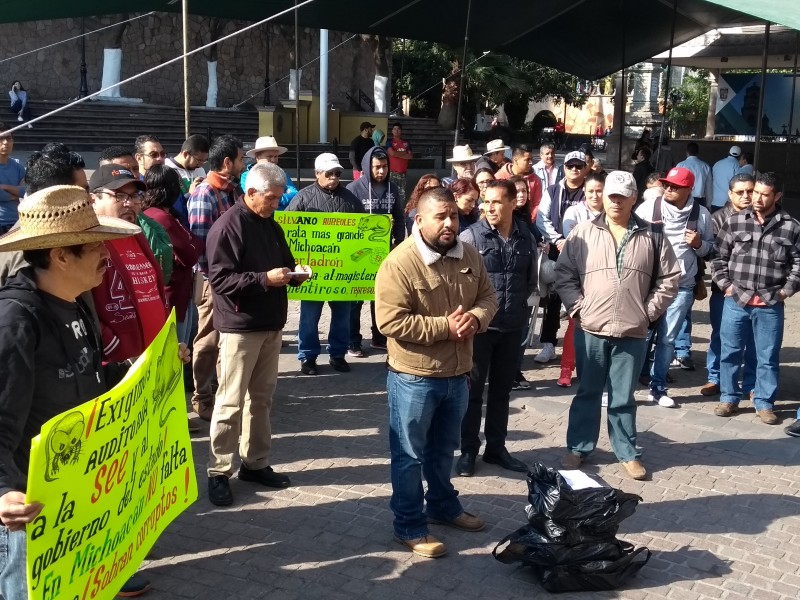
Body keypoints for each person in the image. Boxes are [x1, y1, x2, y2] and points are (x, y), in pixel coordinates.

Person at [0, 185, 148, 600]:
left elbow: (87, 375)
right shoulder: (15, 323)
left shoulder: (76, 300)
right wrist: (3, 493)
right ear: (62, 255)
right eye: (96, 245)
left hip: (76, 487)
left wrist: (136, 369)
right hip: (31, 505)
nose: (107, 254)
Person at [375, 186, 498, 559]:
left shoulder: (470, 255)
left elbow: (488, 298)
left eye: (454, 216)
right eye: (440, 217)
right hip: (414, 377)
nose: (449, 223)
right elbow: (389, 321)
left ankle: (443, 506)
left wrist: (475, 321)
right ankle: (409, 525)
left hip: (457, 374)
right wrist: (445, 328)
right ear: (419, 220)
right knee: (409, 456)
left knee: (444, 450)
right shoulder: (399, 263)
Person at [555, 171, 679, 481]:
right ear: (603, 196)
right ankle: (579, 447)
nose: (616, 201)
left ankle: (627, 451)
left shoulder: (653, 235)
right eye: (611, 195)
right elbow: (564, 274)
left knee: (624, 397)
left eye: (623, 196)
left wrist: (647, 312)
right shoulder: (583, 232)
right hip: (590, 328)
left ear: (634, 198)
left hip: (631, 331)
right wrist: (578, 308)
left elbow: (670, 279)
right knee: (587, 392)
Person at [205, 163, 311, 506]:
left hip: (269, 323)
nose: (276, 204)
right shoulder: (227, 227)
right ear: (250, 192)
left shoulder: (270, 224)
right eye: (271, 198)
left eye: (279, 198)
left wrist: (295, 274)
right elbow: (219, 281)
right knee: (230, 401)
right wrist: (267, 279)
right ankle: (218, 470)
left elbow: (283, 263)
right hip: (240, 327)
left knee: (261, 400)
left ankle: (255, 462)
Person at [456, 180, 538, 477]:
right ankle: (467, 450)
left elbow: (529, 281)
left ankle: (496, 448)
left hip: (512, 326)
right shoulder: (470, 237)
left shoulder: (525, 237)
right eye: (485, 202)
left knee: (502, 392)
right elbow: (459, 283)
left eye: (495, 202)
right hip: (480, 329)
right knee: (473, 392)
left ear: (513, 203)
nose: (488, 207)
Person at [711, 172, 800, 425]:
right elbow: (719, 257)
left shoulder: (790, 226)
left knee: (768, 356)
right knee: (729, 352)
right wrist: (726, 286)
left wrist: (786, 291)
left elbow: (798, 263)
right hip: (736, 301)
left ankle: (764, 402)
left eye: (764, 194)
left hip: (770, 303)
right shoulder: (736, 221)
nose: (757, 198)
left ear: (777, 196)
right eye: (755, 193)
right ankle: (729, 397)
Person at [635, 167, 713, 408]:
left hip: (682, 287)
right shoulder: (649, 208)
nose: (668, 189)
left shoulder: (701, 215)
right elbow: (630, 238)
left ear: (689, 190)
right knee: (642, 336)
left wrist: (699, 244)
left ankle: (658, 388)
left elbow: (710, 249)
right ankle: (628, 383)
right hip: (650, 286)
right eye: (667, 185)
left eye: (675, 186)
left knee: (668, 340)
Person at [285, 153, 364, 375]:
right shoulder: (302, 198)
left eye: (337, 173)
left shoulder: (351, 200)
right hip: (312, 272)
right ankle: (308, 357)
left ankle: (338, 355)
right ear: (317, 174)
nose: (334, 177)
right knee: (309, 318)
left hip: (342, 273)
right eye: (329, 173)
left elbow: (364, 233)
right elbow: (290, 234)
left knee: (342, 317)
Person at [187, 135, 244, 421]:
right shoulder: (205, 195)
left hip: (233, 279)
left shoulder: (232, 192)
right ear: (226, 162)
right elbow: (200, 247)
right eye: (241, 159)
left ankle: (225, 395)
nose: (243, 164)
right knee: (208, 340)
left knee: (228, 341)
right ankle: (202, 398)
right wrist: (221, 277)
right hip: (212, 280)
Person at [88, 165, 169, 364]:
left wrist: (169, 339)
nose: (129, 203)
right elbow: (79, 304)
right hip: (119, 366)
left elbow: (153, 293)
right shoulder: (89, 244)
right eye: (119, 195)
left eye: (134, 196)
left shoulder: (136, 235)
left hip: (154, 357)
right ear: (93, 200)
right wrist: (114, 347)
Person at [700, 173, 756, 398]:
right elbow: (712, 256)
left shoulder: (762, 218)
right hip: (725, 290)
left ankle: (751, 384)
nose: (746, 196)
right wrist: (726, 285)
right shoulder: (717, 218)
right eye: (740, 192)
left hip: (757, 292)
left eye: (750, 191)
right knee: (720, 335)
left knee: (753, 339)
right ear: (730, 194)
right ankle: (715, 377)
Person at [346, 146, 403, 356]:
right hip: (360, 254)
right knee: (356, 299)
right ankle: (353, 341)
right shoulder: (353, 189)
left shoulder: (394, 189)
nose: (381, 171)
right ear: (367, 167)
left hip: (385, 253)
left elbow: (397, 217)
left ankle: (379, 336)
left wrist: (398, 242)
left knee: (381, 296)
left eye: (385, 166)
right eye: (377, 167)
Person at [535, 150, 589, 364]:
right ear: (563, 168)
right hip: (558, 250)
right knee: (553, 299)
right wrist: (557, 238)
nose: (574, 170)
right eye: (570, 166)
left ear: (585, 168)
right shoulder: (553, 190)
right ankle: (548, 344)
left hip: (586, 252)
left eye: (578, 166)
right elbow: (542, 218)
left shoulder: (591, 191)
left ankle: (580, 347)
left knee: (584, 299)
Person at [558, 172, 606, 387]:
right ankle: (566, 368)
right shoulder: (575, 211)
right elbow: (572, 244)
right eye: (590, 191)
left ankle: (595, 371)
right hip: (579, 275)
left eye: (599, 191)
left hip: (604, 278)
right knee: (574, 323)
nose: (595, 195)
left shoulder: (613, 212)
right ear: (584, 192)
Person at [142, 164, 200, 345]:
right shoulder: (162, 218)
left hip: (176, 293)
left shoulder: (156, 214)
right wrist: (192, 244)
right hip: (174, 295)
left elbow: (192, 245)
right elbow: (191, 254)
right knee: (178, 350)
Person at [240, 136, 298, 210]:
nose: (273, 160)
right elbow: (254, 198)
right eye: (269, 156)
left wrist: (272, 198)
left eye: (276, 156)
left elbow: (295, 194)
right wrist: (280, 197)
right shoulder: (247, 176)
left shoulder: (282, 174)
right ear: (257, 157)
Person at [494, 145, 543, 222]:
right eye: (527, 160)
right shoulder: (500, 176)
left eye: (531, 159)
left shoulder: (536, 180)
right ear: (515, 160)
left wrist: (529, 220)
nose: (531, 163)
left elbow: (537, 204)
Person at [0, 126, 25, 235]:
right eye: (1, 138)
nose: (6, 143)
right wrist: (16, 192)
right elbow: (1, 195)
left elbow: (26, 191)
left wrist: (4, 187)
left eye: (9, 139)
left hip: (16, 223)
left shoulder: (18, 165)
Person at [675, 142, 712, 208]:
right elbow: (708, 188)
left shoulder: (680, 165)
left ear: (687, 152)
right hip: (699, 201)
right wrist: (708, 204)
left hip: (684, 198)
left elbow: (676, 184)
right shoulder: (705, 166)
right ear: (697, 152)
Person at [386, 123, 413, 207]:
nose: (396, 131)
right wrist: (404, 153)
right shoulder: (389, 142)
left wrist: (397, 154)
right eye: (395, 129)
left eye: (398, 129)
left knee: (402, 194)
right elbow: (392, 153)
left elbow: (410, 156)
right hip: (392, 173)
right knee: (391, 193)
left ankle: (399, 212)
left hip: (403, 173)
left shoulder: (406, 143)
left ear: (401, 131)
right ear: (392, 131)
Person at [710, 146, 742, 212]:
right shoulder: (737, 165)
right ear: (739, 156)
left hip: (715, 200)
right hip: (728, 202)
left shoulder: (717, 163)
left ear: (728, 153)